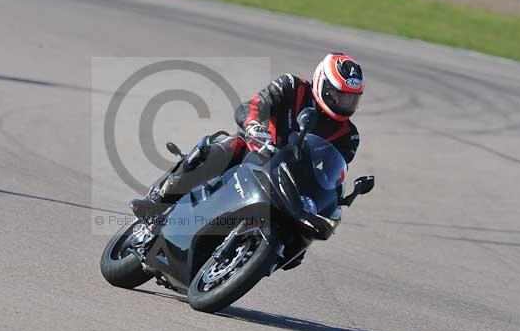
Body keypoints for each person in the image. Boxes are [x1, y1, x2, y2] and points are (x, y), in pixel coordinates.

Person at [131, 52, 365, 220]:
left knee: (311, 220)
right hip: (257, 151)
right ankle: (159, 200)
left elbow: (332, 173)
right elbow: (255, 105)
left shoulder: (349, 136)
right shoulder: (292, 86)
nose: (344, 103)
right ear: (322, 82)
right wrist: (253, 125)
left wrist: (333, 194)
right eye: (338, 95)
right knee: (223, 148)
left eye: (351, 98)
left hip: (290, 180)